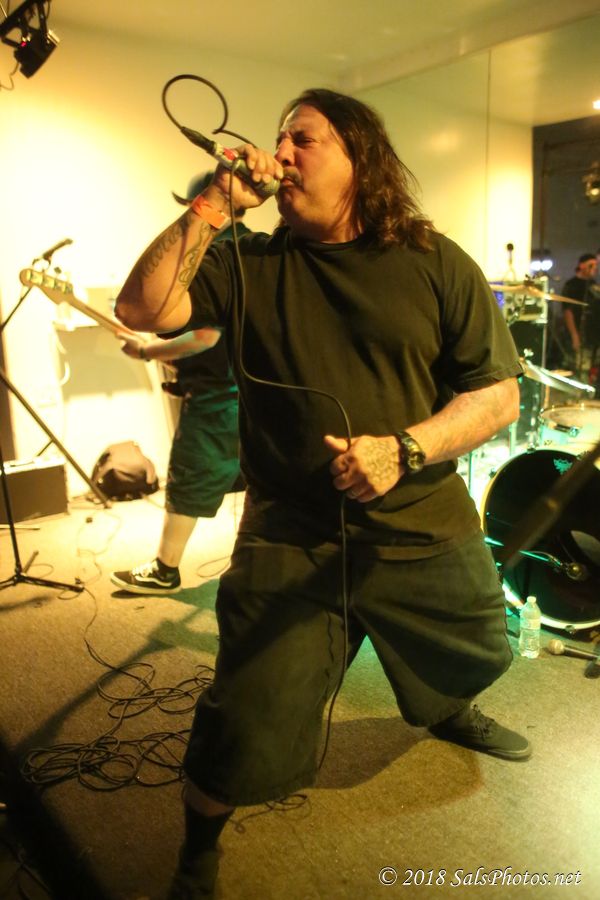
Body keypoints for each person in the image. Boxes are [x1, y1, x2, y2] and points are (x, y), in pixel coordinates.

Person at [115, 89, 529, 899]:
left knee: (479, 646)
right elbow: (143, 309)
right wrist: (217, 202)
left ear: (360, 158)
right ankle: (197, 856)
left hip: (420, 518)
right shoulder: (247, 261)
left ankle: (446, 707)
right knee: (245, 717)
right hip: (291, 535)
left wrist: (405, 449)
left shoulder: (435, 261)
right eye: (279, 139)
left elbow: (498, 395)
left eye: (302, 138)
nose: (281, 153)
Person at [111, 173, 248, 595]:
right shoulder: (255, 250)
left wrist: (147, 350)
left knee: (191, 474)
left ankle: (164, 569)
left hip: (218, 394)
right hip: (250, 391)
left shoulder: (216, 252)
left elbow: (206, 336)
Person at [559, 253, 600, 389]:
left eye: (596, 265)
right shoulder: (572, 285)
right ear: (581, 265)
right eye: (591, 265)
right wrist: (574, 335)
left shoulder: (594, 285)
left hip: (595, 335)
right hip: (581, 335)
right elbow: (567, 311)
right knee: (581, 369)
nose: (595, 268)